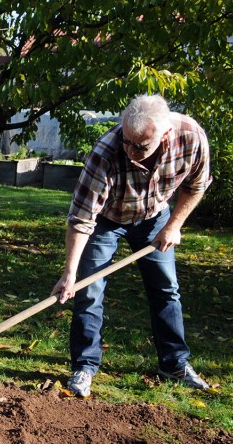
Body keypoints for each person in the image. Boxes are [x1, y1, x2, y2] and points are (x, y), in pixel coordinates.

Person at [52, 94, 212, 398]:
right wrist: (70, 273)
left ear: (164, 135)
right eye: (126, 140)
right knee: (89, 289)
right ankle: (85, 365)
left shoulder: (191, 137)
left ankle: (174, 363)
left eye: (139, 146)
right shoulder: (106, 153)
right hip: (106, 220)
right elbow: (82, 219)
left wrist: (174, 226)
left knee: (166, 288)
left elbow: (196, 185)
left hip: (155, 217)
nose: (130, 150)